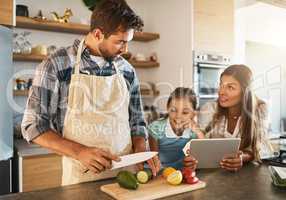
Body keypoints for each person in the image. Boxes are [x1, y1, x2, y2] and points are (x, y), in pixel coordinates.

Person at [21, 0, 160, 186]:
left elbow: (137, 121)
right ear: (97, 34)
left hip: (127, 176)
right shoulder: (57, 65)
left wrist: (142, 150)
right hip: (81, 176)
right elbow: (33, 126)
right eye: (120, 42)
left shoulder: (127, 70)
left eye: (128, 42)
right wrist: (79, 152)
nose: (125, 50)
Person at [194, 64, 272, 171]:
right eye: (221, 85)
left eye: (230, 87)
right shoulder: (210, 109)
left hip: (248, 174)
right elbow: (198, 145)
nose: (221, 92)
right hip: (214, 173)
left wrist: (242, 157)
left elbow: (260, 146)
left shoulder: (260, 109)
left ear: (245, 92)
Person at [148, 87, 204, 170]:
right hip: (160, 172)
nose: (178, 116)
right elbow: (154, 159)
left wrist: (198, 132)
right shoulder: (156, 128)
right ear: (168, 108)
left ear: (193, 114)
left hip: (183, 174)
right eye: (173, 110)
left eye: (185, 112)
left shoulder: (193, 131)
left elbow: (203, 151)